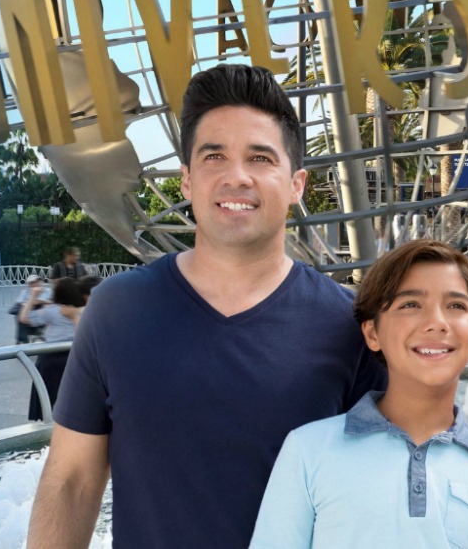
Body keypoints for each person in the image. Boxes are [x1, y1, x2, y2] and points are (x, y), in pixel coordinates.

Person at [28, 64, 387, 548]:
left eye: (260, 158)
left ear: (297, 184)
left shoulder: (350, 325)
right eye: (214, 156)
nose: (236, 177)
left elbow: (382, 496)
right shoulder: (117, 311)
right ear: (187, 181)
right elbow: (71, 481)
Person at [250, 240, 468, 547]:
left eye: (456, 306)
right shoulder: (308, 452)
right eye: (410, 304)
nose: (437, 323)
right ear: (372, 333)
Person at [21, 278, 84, 421]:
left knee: (48, 397)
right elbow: (84, 335)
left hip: (50, 359)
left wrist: (32, 297)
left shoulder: (52, 311)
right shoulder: (83, 310)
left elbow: (24, 318)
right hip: (74, 357)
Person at [12, 275, 48, 345]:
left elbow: (52, 302)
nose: (36, 284)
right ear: (29, 285)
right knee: (19, 313)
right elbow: (20, 302)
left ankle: (22, 339)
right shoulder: (25, 292)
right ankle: (23, 339)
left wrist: (38, 301)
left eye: (37, 281)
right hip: (28, 312)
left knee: (21, 315)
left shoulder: (48, 291)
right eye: (33, 282)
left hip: (43, 312)